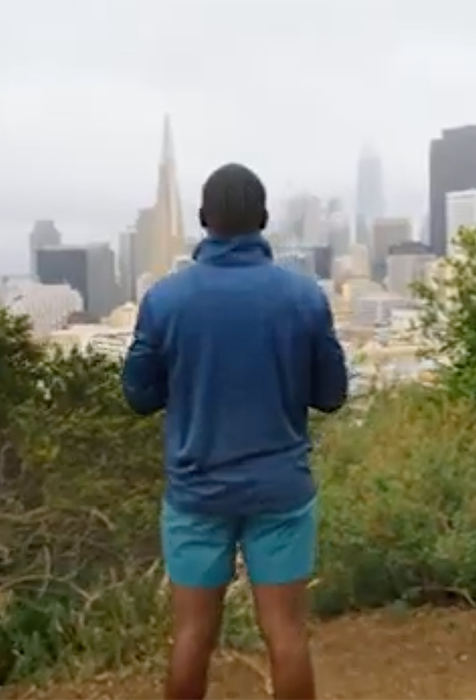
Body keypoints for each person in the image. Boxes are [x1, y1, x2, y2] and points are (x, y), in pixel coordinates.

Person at [121, 162, 348, 700]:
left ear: (203, 220)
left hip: (197, 491)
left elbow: (138, 395)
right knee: (287, 634)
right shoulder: (303, 297)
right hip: (280, 490)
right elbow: (332, 395)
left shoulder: (165, 300)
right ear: (264, 220)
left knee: (192, 636)